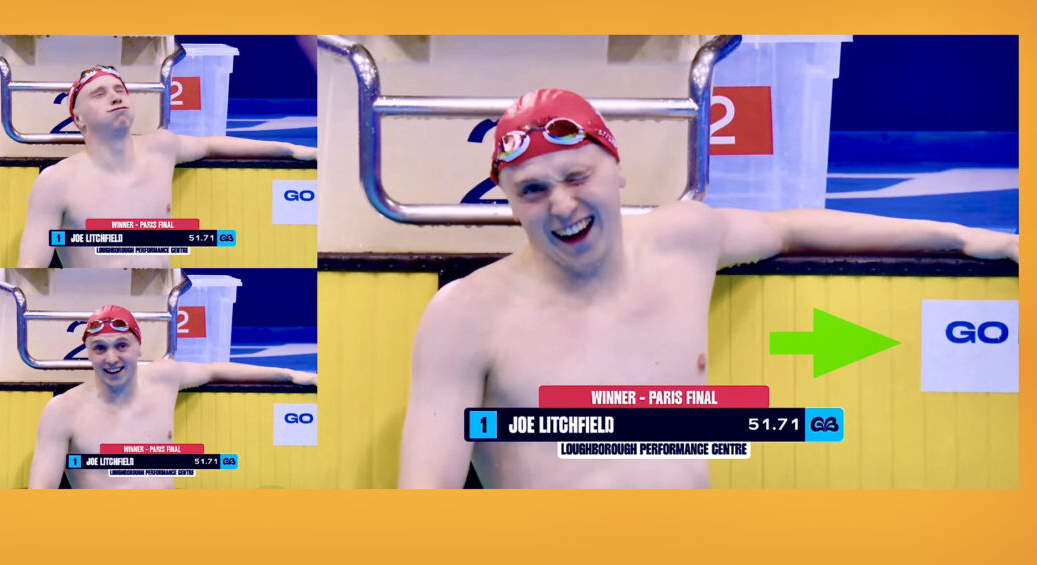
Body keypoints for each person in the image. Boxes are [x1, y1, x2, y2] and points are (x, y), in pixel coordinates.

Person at [398, 89, 1019, 489]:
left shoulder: (682, 241)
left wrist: (960, 237)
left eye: (577, 175)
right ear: (511, 205)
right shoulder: (467, 315)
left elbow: (792, 227)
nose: (562, 205)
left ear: (618, 171)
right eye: (532, 190)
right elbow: (424, 498)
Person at [17, 66, 317, 268]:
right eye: (99, 93)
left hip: (154, 309)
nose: (115, 95)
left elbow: (211, 144)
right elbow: (30, 270)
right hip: (94, 300)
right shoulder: (56, 182)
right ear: (78, 119)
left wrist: (289, 149)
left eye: (119, 89)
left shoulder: (160, 148)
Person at [28, 305, 316, 489]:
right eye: (99, 348)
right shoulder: (63, 411)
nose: (111, 358)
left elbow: (214, 370)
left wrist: (287, 374)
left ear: (139, 347)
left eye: (121, 345)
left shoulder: (162, 379)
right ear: (88, 353)